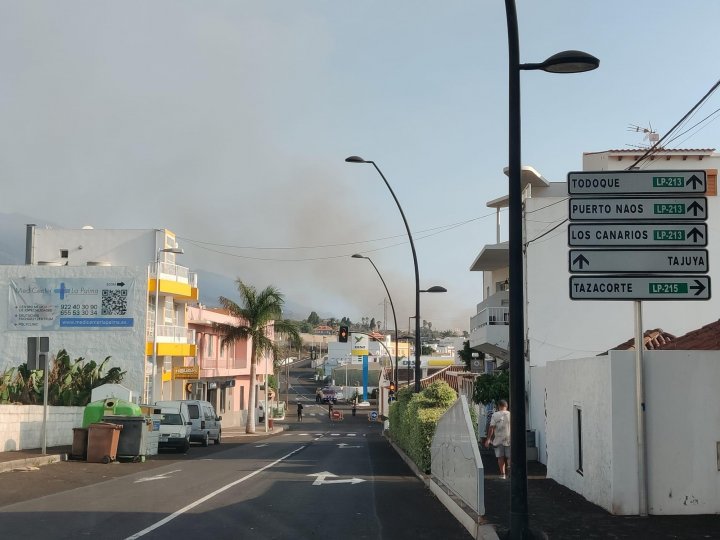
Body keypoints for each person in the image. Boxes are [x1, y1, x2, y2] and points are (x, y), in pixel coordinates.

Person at [484, 399, 511, 479]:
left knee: (500, 457)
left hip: (498, 439)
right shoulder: (510, 414)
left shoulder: (495, 415)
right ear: (506, 406)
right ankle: (509, 470)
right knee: (510, 457)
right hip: (509, 439)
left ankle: (503, 474)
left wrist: (488, 439)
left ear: (499, 406)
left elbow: (491, 427)